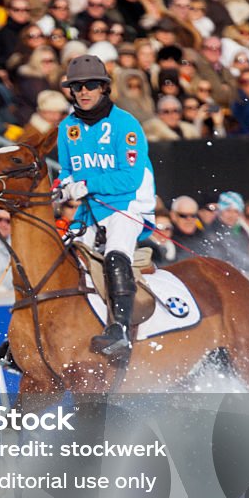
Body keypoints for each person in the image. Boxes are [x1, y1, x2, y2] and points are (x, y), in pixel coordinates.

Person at [55, 54, 156, 359]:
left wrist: (86, 184)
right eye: (77, 86)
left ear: (103, 87)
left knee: (114, 254)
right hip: (89, 210)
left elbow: (129, 177)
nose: (83, 92)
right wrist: (63, 187)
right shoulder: (67, 128)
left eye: (91, 85)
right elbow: (65, 172)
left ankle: (121, 332)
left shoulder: (125, 124)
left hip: (129, 205)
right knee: (59, 262)